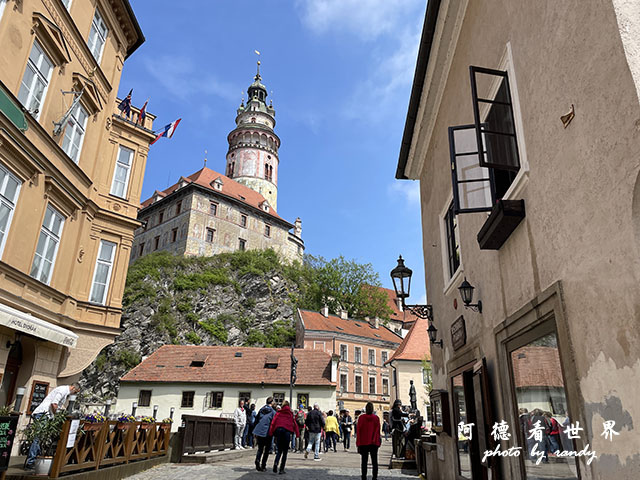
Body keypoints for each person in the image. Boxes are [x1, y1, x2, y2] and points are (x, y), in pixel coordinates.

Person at [25, 383, 80, 470]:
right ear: (73, 388)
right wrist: (57, 415)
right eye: (75, 392)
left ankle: (36, 459)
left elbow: (58, 406)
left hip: (46, 415)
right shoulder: (63, 390)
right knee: (38, 438)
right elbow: (54, 404)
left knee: (41, 438)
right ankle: (30, 462)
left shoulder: (64, 392)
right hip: (43, 413)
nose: (74, 394)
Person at [268, 400, 299, 474]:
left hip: (279, 430)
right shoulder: (290, 413)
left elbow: (273, 422)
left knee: (279, 450)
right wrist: (297, 434)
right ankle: (281, 469)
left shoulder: (278, 412)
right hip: (287, 431)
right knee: (285, 451)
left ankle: (276, 463)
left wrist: (271, 432)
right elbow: (294, 423)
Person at [356, 402, 381, 480]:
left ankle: (364, 477)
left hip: (363, 442)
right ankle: (374, 477)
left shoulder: (361, 418)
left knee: (364, 461)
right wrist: (376, 440)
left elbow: (358, 431)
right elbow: (377, 431)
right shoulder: (376, 418)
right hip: (373, 443)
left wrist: (358, 443)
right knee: (374, 461)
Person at [253, 397, 276, 471]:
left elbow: (256, 419)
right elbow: (274, 422)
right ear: (271, 402)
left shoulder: (261, 409)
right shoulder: (272, 412)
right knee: (266, 450)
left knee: (260, 449)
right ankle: (263, 465)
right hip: (267, 432)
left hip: (259, 431)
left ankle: (257, 460)